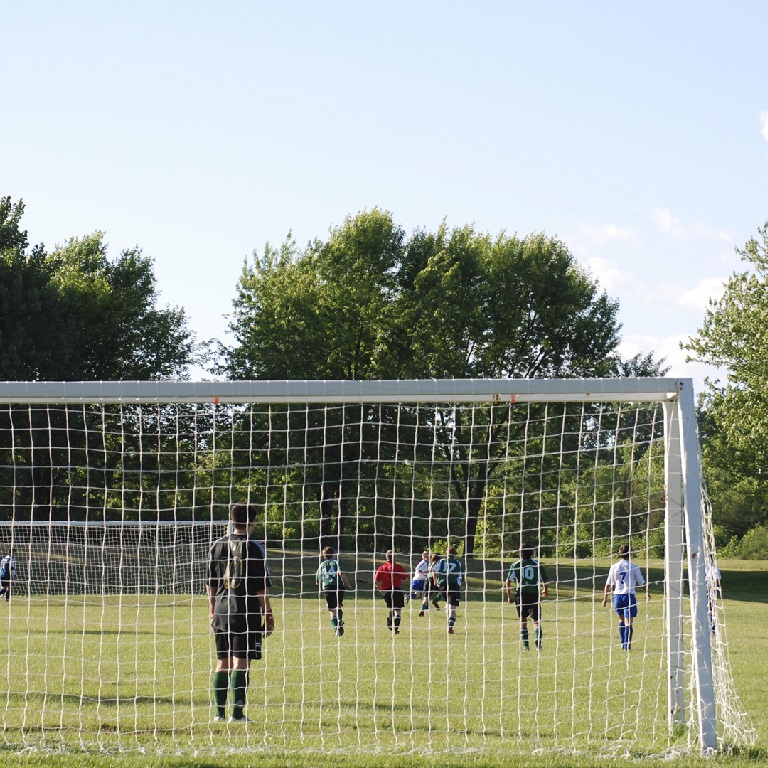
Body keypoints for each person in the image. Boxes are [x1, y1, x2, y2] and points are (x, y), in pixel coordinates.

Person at [206, 502, 273, 723]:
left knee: (222, 662)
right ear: (252, 522)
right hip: (245, 611)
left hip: (221, 612)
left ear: (231, 520)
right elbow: (260, 587)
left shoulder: (217, 545)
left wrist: (212, 610)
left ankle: (218, 714)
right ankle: (237, 714)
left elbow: (211, 583)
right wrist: (269, 613)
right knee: (240, 662)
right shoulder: (254, 547)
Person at [602, 543, 649, 650]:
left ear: (619, 554)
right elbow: (642, 582)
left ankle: (623, 643)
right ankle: (627, 645)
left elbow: (608, 584)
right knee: (629, 622)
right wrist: (647, 592)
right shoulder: (634, 567)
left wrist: (605, 598)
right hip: (629, 595)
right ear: (630, 554)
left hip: (617, 596)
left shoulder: (614, 567)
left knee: (621, 620)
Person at [505, 545, 549, 651]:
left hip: (521, 594)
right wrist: (545, 591)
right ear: (532, 553)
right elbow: (545, 580)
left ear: (520, 553)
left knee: (523, 619)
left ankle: (526, 646)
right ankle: (538, 641)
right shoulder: (537, 564)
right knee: (536, 620)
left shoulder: (515, 565)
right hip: (534, 593)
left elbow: (508, 581)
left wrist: (509, 596)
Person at [315, 545, 352, 636]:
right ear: (333, 554)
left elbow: (317, 580)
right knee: (338, 605)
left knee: (332, 610)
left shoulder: (322, 565)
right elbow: (341, 573)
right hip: (339, 586)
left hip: (328, 587)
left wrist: (322, 581)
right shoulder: (337, 562)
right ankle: (340, 621)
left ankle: (336, 629)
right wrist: (347, 585)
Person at [432, 546, 464, 634]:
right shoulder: (458, 563)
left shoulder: (441, 561)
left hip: (442, 585)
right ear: (455, 554)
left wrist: (435, 581)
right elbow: (460, 576)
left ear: (446, 553)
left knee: (447, 604)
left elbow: (434, 570)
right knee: (452, 607)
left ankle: (448, 622)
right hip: (453, 585)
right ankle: (450, 626)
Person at [374, 550, 408, 634]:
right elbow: (406, 579)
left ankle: (390, 621)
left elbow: (375, 581)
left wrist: (381, 589)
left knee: (392, 607)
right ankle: (395, 628)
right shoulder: (398, 567)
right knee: (397, 610)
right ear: (394, 557)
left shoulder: (381, 568)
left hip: (386, 591)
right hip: (396, 590)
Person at [705, 556, 722, 635]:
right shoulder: (702, 569)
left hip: (710, 591)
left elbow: (717, 581)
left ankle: (712, 629)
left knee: (710, 610)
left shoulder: (714, 569)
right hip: (704, 590)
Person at [411, 550, 431, 616]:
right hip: (418, 580)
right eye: (428, 556)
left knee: (424, 594)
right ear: (425, 557)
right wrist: (425, 573)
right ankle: (407, 597)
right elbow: (418, 569)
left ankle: (425, 607)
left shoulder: (425, 563)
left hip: (421, 580)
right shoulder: (423, 563)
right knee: (421, 595)